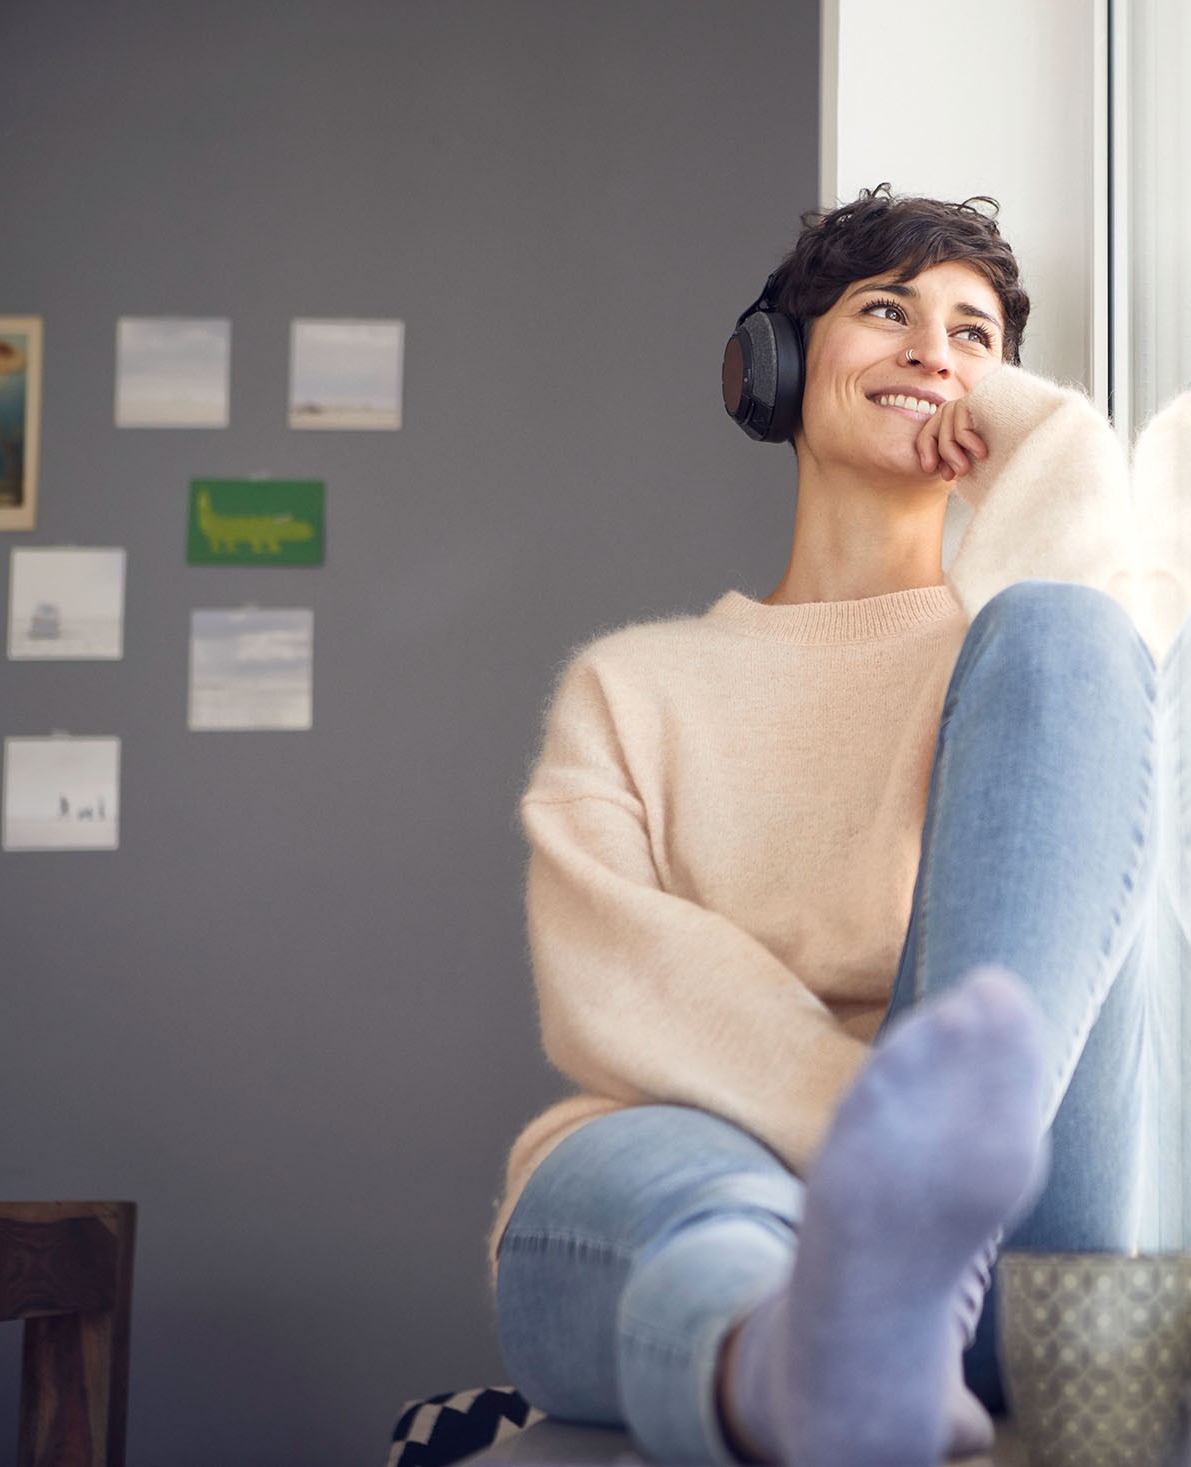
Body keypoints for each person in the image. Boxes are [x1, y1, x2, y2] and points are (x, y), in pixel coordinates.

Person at [489, 185, 1153, 1466]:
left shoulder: (1021, 654)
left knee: (1073, 636)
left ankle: (896, 1285)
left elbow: (1095, 692)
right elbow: (626, 989)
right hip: (710, 1176)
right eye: (887, 312)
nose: (932, 353)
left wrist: (1053, 441)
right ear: (775, 368)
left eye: (976, 337)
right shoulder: (632, 686)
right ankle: (810, 1368)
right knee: (683, 1206)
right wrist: (880, 1158)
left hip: (1008, 1226)